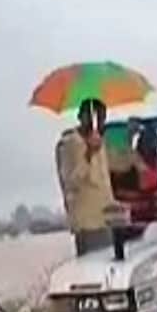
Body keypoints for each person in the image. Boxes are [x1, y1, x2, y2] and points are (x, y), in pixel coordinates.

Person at [55, 98, 114, 256]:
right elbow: (71, 182)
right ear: (81, 117)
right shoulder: (70, 143)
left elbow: (104, 180)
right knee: (90, 266)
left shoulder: (100, 142)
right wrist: (89, 153)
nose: (99, 123)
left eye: (102, 117)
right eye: (95, 117)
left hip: (105, 219)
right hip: (87, 222)